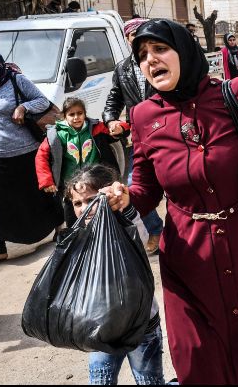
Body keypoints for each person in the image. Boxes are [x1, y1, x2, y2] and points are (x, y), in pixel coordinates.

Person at [100, 18, 238, 384]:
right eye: (142, 55)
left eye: (160, 49)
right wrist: (124, 198)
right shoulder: (143, 116)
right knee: (199, 362)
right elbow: (145, 191)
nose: (150, 60)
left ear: (183, 53)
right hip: (188, 263)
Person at [65, 163, 165, 385]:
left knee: (149, 380)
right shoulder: (78, 235)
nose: (83, 208)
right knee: (100, 380)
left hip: (141, 327)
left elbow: (141, 235)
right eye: (77, 203)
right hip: (100, 329)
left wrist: (125, 208)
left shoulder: (124, 224)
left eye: (91, 200)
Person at [0, 51, 62, 266]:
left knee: (41, 192)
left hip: (27, 151)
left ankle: (60, 226)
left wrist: (23, 107)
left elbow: (42, 101)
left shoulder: (15, 80)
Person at [103, 17, 165, 255]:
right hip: (138, 136)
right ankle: (156, 229)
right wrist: (111, 120)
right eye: (132, 35)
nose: (136, 37)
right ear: (127, 39)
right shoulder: (122, 68)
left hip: (168, 130)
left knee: (174, 182)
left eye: (141, 32)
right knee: (133, 185)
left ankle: (183, 230)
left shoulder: (160, 60)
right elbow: (114, 99)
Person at [35, 97, 129, 226]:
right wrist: (46, 180)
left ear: (85, 114)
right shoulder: (56, 135)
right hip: (71, 188)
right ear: (64, 116)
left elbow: (118, 129)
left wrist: (120, 128)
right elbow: (41, 156)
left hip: (97, 185)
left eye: (79, 113)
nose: (76, 117)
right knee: (74, 223)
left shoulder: (96, 128)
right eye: (71, 114)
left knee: (105, 219)